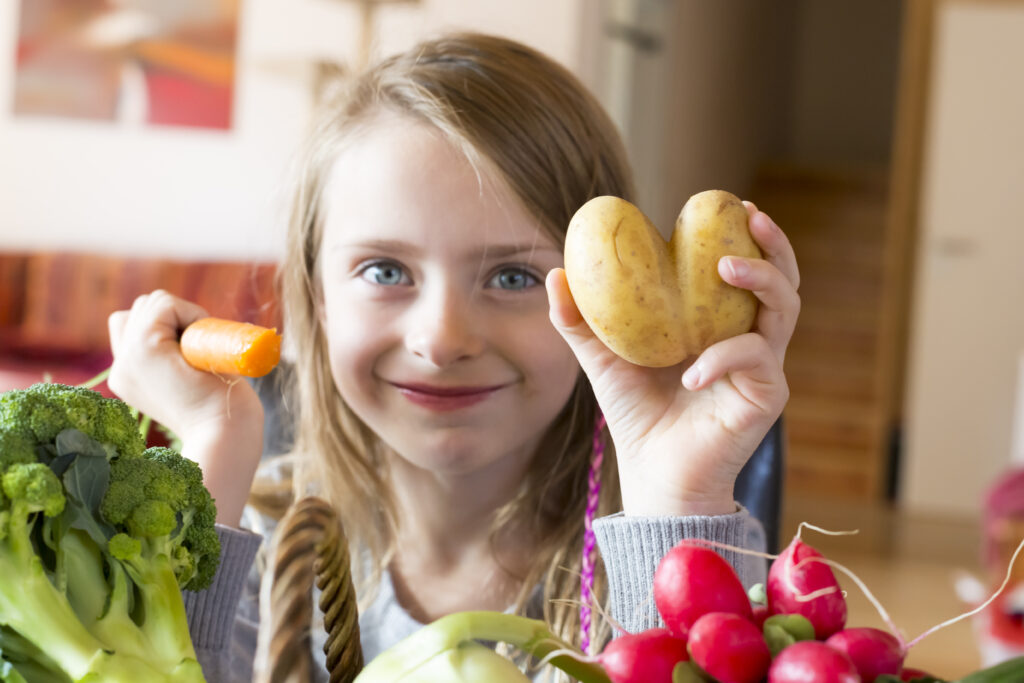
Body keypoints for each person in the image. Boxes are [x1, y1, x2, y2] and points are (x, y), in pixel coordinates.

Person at [106, 32, 800, 682]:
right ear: (316, 296)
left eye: (512, 277)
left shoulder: (671, 537)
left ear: (613, 304)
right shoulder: (257, 535)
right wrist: (209, 464)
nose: (440, 340)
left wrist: (676, 494)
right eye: (384, 271)